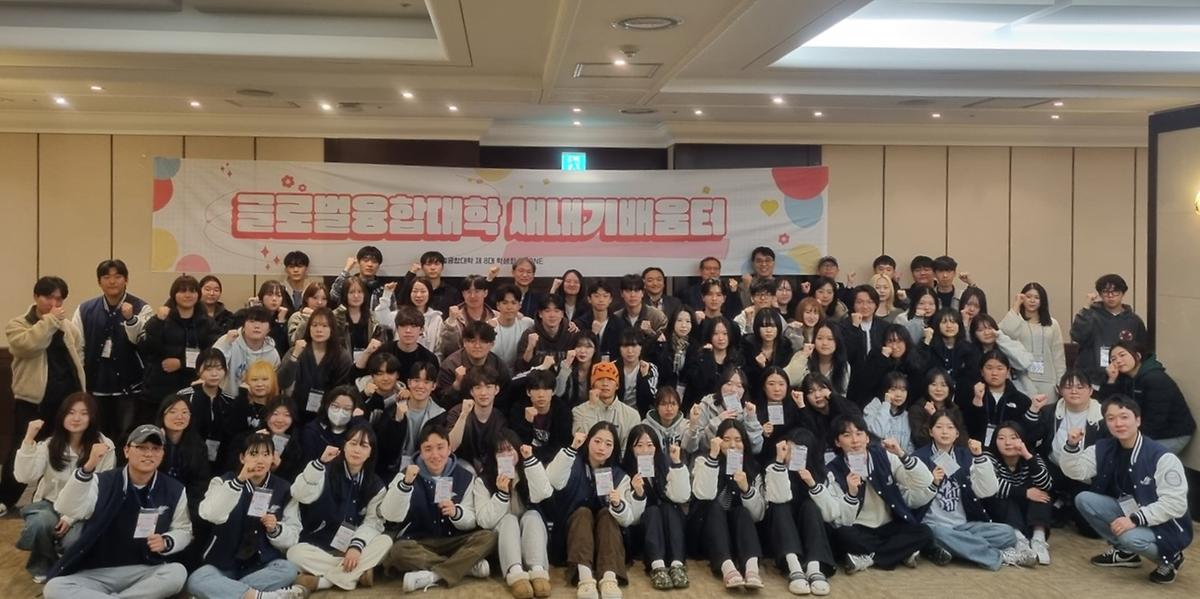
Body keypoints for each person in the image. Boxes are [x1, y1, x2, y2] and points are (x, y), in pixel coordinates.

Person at [44, 424, 192, 599]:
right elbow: (67, 507)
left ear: (162, 453)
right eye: (141, 447)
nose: (149, 454)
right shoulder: (102, 481)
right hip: (97, 571)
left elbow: (183, 529)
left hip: (143, 570)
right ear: (126, 451)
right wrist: (88, 468)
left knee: (177, 573)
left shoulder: (174, 489)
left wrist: (167, 541)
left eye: (155, 449)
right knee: (54, 588)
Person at [1061, 395, 1192, 584]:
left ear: (1138, 420)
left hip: (1166, 524)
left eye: (1124, 417)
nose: (1118, 423)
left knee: (1129, 537)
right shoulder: (1104, 448)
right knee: (1084, 499)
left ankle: (1171, 558)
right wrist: (1072, 445)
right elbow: (1076, 471)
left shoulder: (1162, 457)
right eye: (1111, 418)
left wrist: (1135, 519)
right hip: (1131, 510)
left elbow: (1175, 504)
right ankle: (1125, 553)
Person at [912, 410, 1038, 569]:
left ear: (957, 433)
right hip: (934, 525)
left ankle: (960, 546)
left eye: (950, 427)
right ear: (931, 431)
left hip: (964, 525)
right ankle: (1000, 556)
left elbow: (987, 490)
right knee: (937, 535)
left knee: (1007, 533)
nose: (944, 432)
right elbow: (912, 499)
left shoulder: (966, 456)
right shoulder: (918, 458)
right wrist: (932, 482)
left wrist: (979, 457)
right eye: (939, 427)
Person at [186, 433, 305, 599]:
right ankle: (261, 596)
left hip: (261, 566)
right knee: (196, 580)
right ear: (242, 458)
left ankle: (227, 592)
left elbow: (293, 536)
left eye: (266, 454)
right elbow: (209, 514)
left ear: (273, 458)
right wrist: (239, 481)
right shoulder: (223, 481)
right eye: (254, 454)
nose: (260, 460)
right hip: (223, 564)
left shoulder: (285, 489)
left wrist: (276, 529)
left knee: (288, 569)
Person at [3, 276, 85, 518]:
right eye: (48, 297)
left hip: (66, 400)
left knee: (61, 449)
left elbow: (78, 350)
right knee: (23, 448)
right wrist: (49, 321)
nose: (54, 303)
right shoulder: (18, 324)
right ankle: (5, 498)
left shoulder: (67, 326)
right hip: (33, 402)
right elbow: (28, 346)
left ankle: (48, 498)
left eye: (59, 299)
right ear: (36, 297)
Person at [380, 424, 497, 593]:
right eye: (428, 449)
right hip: (420, 541)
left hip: (454, 540)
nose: (435, 455)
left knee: (488, 537)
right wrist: (405, 484)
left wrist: (456, 513)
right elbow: (389, 514)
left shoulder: (465, 477)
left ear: (449, 449)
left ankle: (433, 576)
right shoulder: (407, 474)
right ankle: (464, 567)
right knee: (398, 551)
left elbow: (472, 519)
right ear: (420, 452)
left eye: (440, 447)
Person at [812, 415, 935, 573]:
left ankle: (870, 558)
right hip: (859, 529)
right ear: (837, 442)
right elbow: (840, 519)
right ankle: (900, 553)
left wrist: (902, 454)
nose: (855, 440)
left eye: (859, 433)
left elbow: (924, 481)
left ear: (867, 438)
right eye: (847, 435)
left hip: (889, 526)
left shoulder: (884, 456)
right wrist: (851, 493)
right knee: (842, 535)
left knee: (924, 532)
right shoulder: (832, 471)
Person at [14, 392, 116, 582]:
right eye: (71, 412)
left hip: (84, 508)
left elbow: (102, 487)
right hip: (49, 503)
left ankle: (64, 560)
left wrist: (70, 518)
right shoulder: (51, 444)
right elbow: (24, 476)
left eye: (84, 413)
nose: (76, 418)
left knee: (73, 540)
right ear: (62, 415)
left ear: (92, 417)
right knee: (40, 523)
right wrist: (28, 439)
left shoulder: (104, 445)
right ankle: (43, 563)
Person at [289, 423, 391, 593]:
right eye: (353, 443)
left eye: (364, 446)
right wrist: (319, 463)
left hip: (355, 549)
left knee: (385, 541)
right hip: (321, 546)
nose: (357, 450)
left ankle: (325, 582)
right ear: (344, 446)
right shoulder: (324, 471)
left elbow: (373, 523)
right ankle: (357, 573)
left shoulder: (376, 485)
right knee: (294, 553)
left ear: (371, 452)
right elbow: (300, 494)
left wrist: (356, 546)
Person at [547, 422, 642, 599]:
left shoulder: (619, 475)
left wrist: (618, 505)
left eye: (608, 444)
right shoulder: (572, 462)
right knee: (583, 513)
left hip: (608, 542)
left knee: (607, 515)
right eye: (597, 441)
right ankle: (585, 579)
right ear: (588, 441)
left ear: (614, 448)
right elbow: (552, 479)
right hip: (573, 539)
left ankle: (609, 578)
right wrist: (572, 448)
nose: (602, 447)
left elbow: (628, 519)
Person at [72, 259, 152, 441]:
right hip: (95, 387)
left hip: (130, 389)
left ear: (126, 279)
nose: (112, 281)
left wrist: (131, 319)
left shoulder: (142, 308)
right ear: (99, 281)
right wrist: (82, 382)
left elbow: (144, 343)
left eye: (118, 276)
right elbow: (77, 347)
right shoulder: (84, 309)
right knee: (96, 438)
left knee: (127, 438)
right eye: (106, 277)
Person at [471, 429, 554, 599]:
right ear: (493, 456)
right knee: (509, 519)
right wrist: (501, 494)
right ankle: (515, 573)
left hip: (530, 538)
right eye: (500, 452)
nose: (506, 455)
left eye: (510, 449)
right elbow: (484, 521)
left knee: (532, 515)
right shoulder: (483, 480)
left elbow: (544, 493)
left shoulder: (528, 470)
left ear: (518, 449)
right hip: (501, 542)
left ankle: (537, 570)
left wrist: (530, 460)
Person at [691, 419, 767, 589]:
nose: (733, 445)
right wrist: (713, 457)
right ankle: (727, 568)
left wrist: (746, 489)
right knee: (714, 507)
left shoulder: (752, 468)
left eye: (738, 440)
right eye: (726, 439)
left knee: (741, 512)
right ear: (718, 440)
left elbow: (758, 516)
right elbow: (704, 494)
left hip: (737, 536)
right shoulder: (703, 461)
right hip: (707, 532)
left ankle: (751, 568)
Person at [763, 429, 836, 595]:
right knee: (780, 505)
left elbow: (832, 514)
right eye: (788, 450)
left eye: (798, 451)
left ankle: (814, 567)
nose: (791, 456)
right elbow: (778, 497)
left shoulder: (822, 473)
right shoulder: (773, 468)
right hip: (781, 533)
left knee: (810, 506)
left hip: (810, 531)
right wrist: (780, 462)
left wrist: (812, 484)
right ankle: (794, 567)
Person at [621, 424, 691, 591]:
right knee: (652, 511)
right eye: (639, 446)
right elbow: (631, 518)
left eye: (650, 445)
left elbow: (682, 497)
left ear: (657, 447)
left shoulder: (665, 464)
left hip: (669, 527)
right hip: (643, 531)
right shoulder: (624, 471)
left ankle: (677, 564)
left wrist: (676, 463)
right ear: (631, 449)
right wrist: (638, 493)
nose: (645, 450)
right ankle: (657, 566)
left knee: (669, 508)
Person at [1098, 341, 1195, 454]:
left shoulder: (1155, 379)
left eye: (1122, 355)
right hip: (1141, 429)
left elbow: (1156, 421)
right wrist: (1111, 379)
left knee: (1132, 456)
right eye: (1113, 359)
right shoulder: (1124, 377)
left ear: (1138, 356)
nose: (1118, 360)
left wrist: (1130, 439)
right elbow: (1107, 404)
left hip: (1171, 434)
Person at [982, 421, 1054, 565]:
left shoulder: (1032, 456)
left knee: (1041, 494)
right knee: (1004, 498)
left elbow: (1047, 484)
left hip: (1027, 510)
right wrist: (1024, 492)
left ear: (1023, 440)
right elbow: (990, 485)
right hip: (1001, 510)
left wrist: (1027, 456)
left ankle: (1038, 539)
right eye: (1001, 438)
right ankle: (1019, 540)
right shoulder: (988, 457)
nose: (1007, 442)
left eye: (1013, 437)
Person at [155, 394, 212, 563]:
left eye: (185, 412)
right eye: (173, 411)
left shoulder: (197, 445)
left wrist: (190, 514)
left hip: (186, 504)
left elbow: (200, 483)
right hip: (156, 502)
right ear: (162, 415)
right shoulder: (152, 441)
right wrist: (162, 445)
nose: (179, 416)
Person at [1070, 274, 1149, 387]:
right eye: (1106, 292)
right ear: (1100, 294)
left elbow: (1141, 351)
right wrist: (1086, 308)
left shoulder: (1134, 321)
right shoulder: (1090, 315)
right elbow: (1077, 336)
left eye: (1115, 292)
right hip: (1090, 379)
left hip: (1123, 380)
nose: (1111, 296)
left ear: (1123, 293)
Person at [373, 361, 447, 479]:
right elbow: (383, 448)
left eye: (426, 382)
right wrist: (397, 421)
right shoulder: (392, 410)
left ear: (433, 386)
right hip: (390, 470)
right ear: (409, 383)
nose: (420, 386)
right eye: (416, 381)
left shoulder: (439, 415)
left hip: (424, 471)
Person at [280, 307, 353, 423]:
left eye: (324, 326)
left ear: (332, 329)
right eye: (314, 325)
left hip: (328, 415)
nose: (319, 330)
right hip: (295, 413)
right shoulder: (297, 350)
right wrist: (294, 356)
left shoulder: (342, 356)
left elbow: (343, 389)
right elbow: (282, 382)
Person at [1000, 283, 1067, 400]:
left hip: (1048, 379)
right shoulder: (1017, 321)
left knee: (1046, 409)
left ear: (1042, 301)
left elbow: (1058, 355)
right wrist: (1016, 305)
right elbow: (1005, 332)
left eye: (1037, 297)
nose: (1032, 300)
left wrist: (1061, 380)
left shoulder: (1052, 324)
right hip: (1022, 377)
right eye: (1028, 296)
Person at [959, 350, 1039, 448]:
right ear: (982, 372)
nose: (994, 373)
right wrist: (977, 401)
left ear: (1008, 372)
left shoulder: (1022, 400)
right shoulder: (969, 395)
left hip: (1009, 449)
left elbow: (1027, 432)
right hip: (974, 448)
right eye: (989, 368)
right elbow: (964, 426)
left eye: (1000, 368)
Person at [375, 278, 460, 361]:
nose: (418, 295)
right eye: (415, 291)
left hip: (426, 364)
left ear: (429, 294)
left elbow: (439, 348)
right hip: (400, 360)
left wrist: (433, 364)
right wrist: (386, 295)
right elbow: (381, 318)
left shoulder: (436, 318)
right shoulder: (400, 314)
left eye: (423, 291)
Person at [437, 320, 511, 410]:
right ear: (464, 343)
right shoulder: (450, 365)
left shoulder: (499, 366)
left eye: (483, 342)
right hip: (457, 413)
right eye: (472, 341)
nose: (477, 346)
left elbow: (505, 401)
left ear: (492, 344)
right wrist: (456, 386)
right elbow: (442, 403)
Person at [447, 366, 509, 472]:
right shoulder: (457, 412)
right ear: (471, 392)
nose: (483, 393)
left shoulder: (500, 418)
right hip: (459, 466)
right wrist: (463, 415)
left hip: (490, 467)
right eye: (478, 388)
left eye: (488, 387)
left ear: (496, 390)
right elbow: (451, 447)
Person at [694, 366, 766, 455]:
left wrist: (751, 419)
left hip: (736, 459)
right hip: (709, 457)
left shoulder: (746, 410)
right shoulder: (706, 405)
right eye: (729, 384)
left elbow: (756, 448)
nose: (733, 390)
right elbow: (698, 445)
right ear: (721, 386)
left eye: (739, 386)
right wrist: (718, 420)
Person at [212, 306, 281, 397]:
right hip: (226, 398)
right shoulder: (229, 340)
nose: (257, 326)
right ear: (243, 326)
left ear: (269, 329)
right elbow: (213, 366)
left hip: (258, 400)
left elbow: (273, 384)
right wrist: (226, 345)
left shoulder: (272, 353)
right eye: (252, 321)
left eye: (262, 322)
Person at [572, 361, 642, 450]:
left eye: (610, 379)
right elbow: (581, 442)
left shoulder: (632, 415)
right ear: (592, 385)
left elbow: (630, 448)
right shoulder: (579, 411)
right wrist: (591, 408)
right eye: (600, 379)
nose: (605, 383)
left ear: (617, 385)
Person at [510, 368, 574, 464]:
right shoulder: (518, 410)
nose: (541, 395)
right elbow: (518, 444)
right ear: (528, 392)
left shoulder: (562, 411)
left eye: (546, 389)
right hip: (525, 459)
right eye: (536, 389)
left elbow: (563, 443)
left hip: (554, 460)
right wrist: (527, 423)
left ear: (553, 392)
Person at [359, 305, 438, 380]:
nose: (408, 331)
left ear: (421, 330)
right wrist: (366, 353)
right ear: (397, 328)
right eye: (403, 326)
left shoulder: (429, 358)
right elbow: (359, 377)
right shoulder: (383, 352)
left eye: (413, 326)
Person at [681, 314, 742, 409]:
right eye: (716, 334)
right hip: (701, 407)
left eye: (725, 334)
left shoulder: (737, 359)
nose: (721, 338)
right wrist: (707, 358)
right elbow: (697, 384)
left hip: (728, 408)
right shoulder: (700, 356)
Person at [298, 386, 363, 464]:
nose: (340, 412)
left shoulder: (356, 430)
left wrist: (359, 421)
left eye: (347, 409)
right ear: (327, 405)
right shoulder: (312, 431)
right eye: (335, 406)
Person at [516, 294, 577, 373]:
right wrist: (530, 348)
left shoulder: (571, 333)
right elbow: (520, 368)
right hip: (536, 379)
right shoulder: (529, 334)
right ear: (540, 314)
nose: (552, 315)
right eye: (547, 311)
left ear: (562, 314)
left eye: (556, 311)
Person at [334, 276, 384, 365]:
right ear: (345, 295)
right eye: (351, 292)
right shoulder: (337, 317)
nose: (356, 296)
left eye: (360, 292)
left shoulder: (372, 317)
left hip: (368, 364)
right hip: (343, 365)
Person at [234, 280, 291, 358]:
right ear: (261, 297)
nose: (274, 299)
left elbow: (280, 350)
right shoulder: (244, 314)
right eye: (270, 294)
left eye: (278, 295)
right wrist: (254, 313)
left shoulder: (286, 317)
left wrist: (280, 322)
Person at [574, 280, 626, 362]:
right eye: (596, 296)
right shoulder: (580, 323)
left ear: (610, 299)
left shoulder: (619, 324)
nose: (601, 300)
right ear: (589, 299)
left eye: (605, 296)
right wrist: (593, 334)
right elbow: (579, 348)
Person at [864, 371, 915, 454]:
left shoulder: (907, 415)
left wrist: (903, 457)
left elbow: (910, 447)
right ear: (885, 390)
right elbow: (878, 432)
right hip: (878, 457)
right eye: (893, 389)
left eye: (903, 390)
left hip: (900, 459)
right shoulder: (873, 407)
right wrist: (886, 404)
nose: (899, 394)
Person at [642, 386, 702, 457]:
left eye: (673, 404)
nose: (669, 409)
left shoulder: (685, 425)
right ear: (657, 406)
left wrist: (693, 426)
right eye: (664, 404)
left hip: (679, 462)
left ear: (678, 406)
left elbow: (690, 449)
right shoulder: (645, 426)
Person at [615, 273, 667, 346]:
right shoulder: (616, 318)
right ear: (621, 293)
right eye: (628, 291)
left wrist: (650, 332)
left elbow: (664, 345)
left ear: (642, 293)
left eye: (636, 291)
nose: (632, 295)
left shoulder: (657, 317)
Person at [406, 250, 463, 315]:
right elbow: (401, 302)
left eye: (437, 264)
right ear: (422, 267)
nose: (433, 268)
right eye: (428, 264)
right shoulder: (416, 291)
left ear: (442, 267)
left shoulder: (452, 292)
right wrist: (411, 273)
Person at [330, 245, 386, 310]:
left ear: (378, 266)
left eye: (374, 261)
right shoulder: (349, 283)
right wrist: (347, 269)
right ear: (358, 263)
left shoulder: (383, 288)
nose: (370, 264)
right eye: (366, 260)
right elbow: (334, 296)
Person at [615, 330, 658, 415]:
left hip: (641, 414)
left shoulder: (650, 368)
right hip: (617, 413)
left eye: (634, 346)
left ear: (641, 347)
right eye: (625, 346)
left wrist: (644, 376)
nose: (630, 351)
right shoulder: (613, 367)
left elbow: (651, 398)